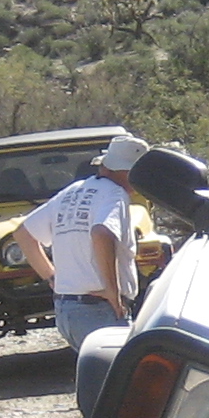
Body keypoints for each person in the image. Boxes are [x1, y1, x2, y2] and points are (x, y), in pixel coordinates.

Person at [16, 132, 147, 350]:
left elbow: (23, 234)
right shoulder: (115, 195)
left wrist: (52, 277)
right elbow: (101, 233)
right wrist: (112, 292)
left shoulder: (72, 192)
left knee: (94, 371)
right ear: (129, 172)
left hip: (67, 310)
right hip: (99, 311)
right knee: (119, 371)